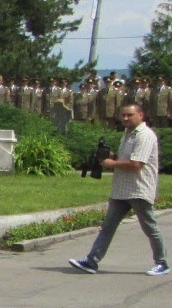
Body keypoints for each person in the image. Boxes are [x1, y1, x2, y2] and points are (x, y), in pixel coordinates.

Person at [69, 103, 167, 276]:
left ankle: (162, 263)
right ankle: (92, 261)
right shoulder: (127, 134)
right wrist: (111, 156)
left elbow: (136, 164)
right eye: (123, 115)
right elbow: (126, 158)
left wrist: (112, 163)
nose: (125, 118)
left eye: (130, 115)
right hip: (121, 190)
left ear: (141, 115)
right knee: (108, 227)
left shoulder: (145, 135)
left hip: (139, 189)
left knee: (149, 227)